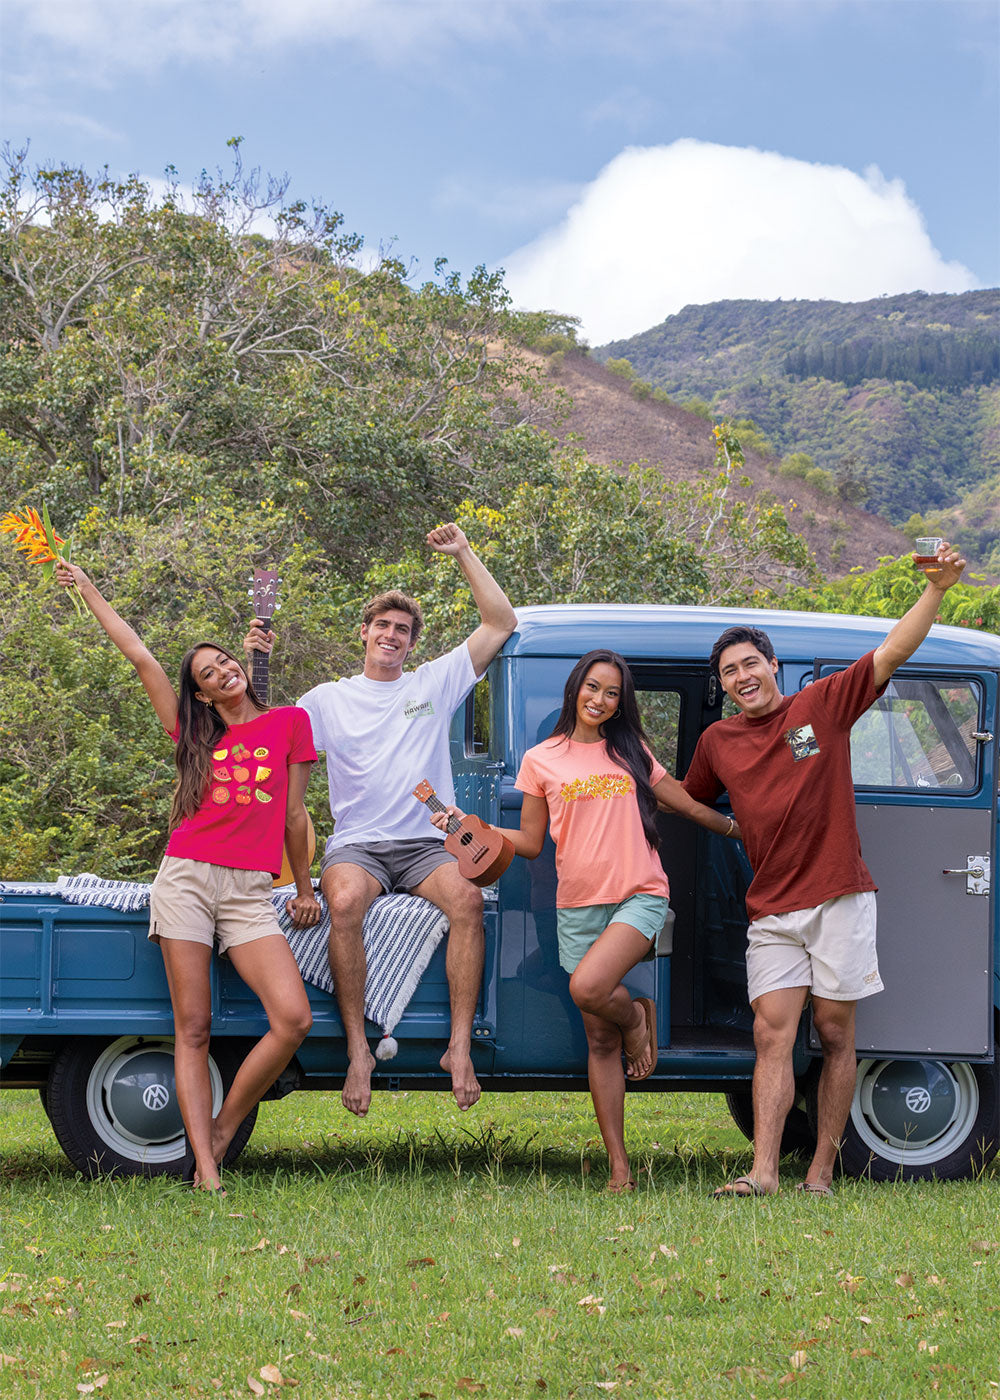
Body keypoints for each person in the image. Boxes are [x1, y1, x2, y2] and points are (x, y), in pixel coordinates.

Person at [682, 543, 967, 1198]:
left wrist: (938, 591)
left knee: (836, 1033)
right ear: (722, 684)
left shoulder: (818, 710)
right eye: (729, 671)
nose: (742, 676)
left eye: (750, 663)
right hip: (772, 911)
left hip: (839, 895)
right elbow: (692, 795)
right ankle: (762, 1173)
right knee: (770, 1035)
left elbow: (892, 652)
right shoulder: (718, 743)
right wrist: (727, 825)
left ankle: (820, 1172)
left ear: (771, 665)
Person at [432, 650, 742, 1192]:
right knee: (599, 1041)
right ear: (576, 689)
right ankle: (619, 1166)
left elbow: (687, 805)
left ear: (622, 703)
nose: (600, 700)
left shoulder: (631, 752)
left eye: (612, 693)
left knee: (589, 987)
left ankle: (637, 1021)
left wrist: (741, 832)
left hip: (638, 894)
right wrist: (470, 824)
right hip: (575, 906)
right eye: (593, 688)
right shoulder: (541, 759)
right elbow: (528, 843)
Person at [57, 561, 321, 1193]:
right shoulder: (193, 733)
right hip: (187, 879)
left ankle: (224, 1128)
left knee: (293, 1018)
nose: (223, 672)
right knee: (193, 1027)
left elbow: (291, 816)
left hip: (251, 890)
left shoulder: (290, 723)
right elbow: (140, 655)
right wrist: (90, 589)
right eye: (207, 674)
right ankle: (204, 1166)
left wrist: (306, 887)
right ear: (200, 693)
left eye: (225, 662)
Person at [246, 523, 517, 1117]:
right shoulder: (326, 699)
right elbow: (264, 733)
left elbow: (501, 623)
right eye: (383, 627)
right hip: (360, 846)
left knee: (469, 903)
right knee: (341, 903)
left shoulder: (433, 684)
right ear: (364, 634)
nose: (392, 635)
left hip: (426, 845)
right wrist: (255, 662)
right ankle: (358, 1050)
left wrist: (464, 552)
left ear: (411, 642)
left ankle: (458, 1048)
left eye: (403, 630)